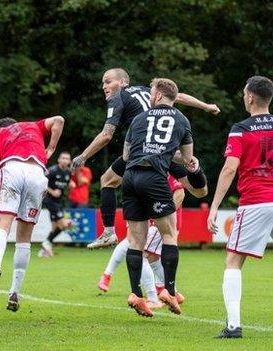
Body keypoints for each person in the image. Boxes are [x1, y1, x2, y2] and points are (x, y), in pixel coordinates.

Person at [71, 68, 218, 249]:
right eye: (103, 83)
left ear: (123, 82)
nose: (104, 86)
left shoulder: (119, 97)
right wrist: (205, 106)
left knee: (107, 181)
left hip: (140, 152)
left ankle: (109, 232)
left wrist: (83, 156)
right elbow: (178, 96)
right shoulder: (146, 90)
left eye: (108, 81)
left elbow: (107, 135)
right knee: (199, 191)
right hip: (165, 149)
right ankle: (195, 174)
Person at [207, 76, 273, 339]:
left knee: (233, 261)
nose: (243, 97)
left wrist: (214, 206)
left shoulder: (241, 128)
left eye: (244, 93)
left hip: (257, 202)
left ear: (250, 97)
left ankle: (233, 326)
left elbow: (230, 168)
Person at [121, 78, 196, 317]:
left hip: (130, 175)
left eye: (152, 92)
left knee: (136, 240)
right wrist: (165, 153)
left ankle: (135, 294)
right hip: (154, 176)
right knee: (169, 234)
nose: (150, 96)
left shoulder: (138, 119)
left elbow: (125, 154)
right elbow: (187, 159)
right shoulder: (182, 120)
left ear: (158, 95)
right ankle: (169, 291)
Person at [0, 115, 64, 312]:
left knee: (2, 226)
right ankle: (15, 292)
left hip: (11, 169)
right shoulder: (32, 126)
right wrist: (51, 148)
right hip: (37, 173)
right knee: (24, 237)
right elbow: (59, 120)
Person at [98, 175, 187, 309]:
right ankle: (172, 292)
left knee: (141, 255)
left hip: (161, 222)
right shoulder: (151, 172)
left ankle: (153, 298)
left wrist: (163, 215)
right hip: (158, 221)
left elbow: (180, 192)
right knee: (152, 257)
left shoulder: (162, 169)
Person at [38, 151, 73, 258]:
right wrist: (52, 192)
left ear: (69, 161)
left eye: (67, 159)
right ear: (59, 159)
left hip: (58, 202)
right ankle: (46, 242)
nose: (65, 160)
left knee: (55, 227)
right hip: (49, 200)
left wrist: (70, 184)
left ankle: (43, 251)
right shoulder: (52, 171)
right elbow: (41, 182)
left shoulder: (68, 173)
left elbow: (65, 184)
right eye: (63, 158)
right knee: (65, 225)